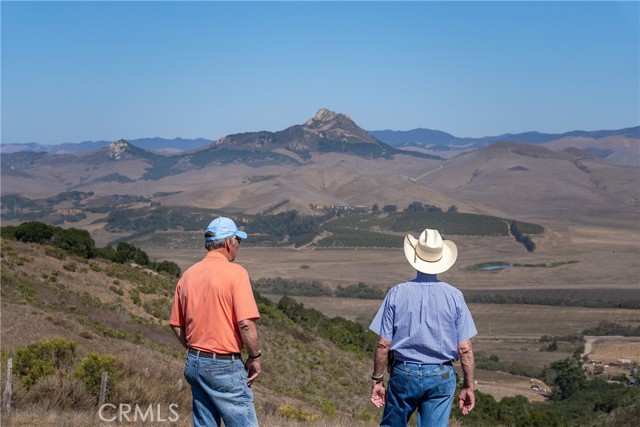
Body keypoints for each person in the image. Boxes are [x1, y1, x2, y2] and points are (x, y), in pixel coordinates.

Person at [368, 229, 477, 427]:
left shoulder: (396, 293)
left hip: (403, 372)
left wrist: (377, 380)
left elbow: (383, 345)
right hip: (441, 374)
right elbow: (465, 349)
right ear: (441, 260)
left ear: (415, 257)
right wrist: (468, 386)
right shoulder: (455, 296)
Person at [169, 216, 262, 427]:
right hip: (224, 367)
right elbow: (246, 323)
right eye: (238, 241)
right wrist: (255, 357)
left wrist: (197, 350)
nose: (238, 246)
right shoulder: (236, 273)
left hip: (194, 363)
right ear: (229, 242)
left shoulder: (188, 275)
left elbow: (176, 323)